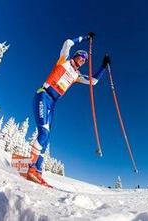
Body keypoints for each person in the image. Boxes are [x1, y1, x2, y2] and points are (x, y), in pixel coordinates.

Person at [27, 33, 111, 187]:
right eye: (82, 57)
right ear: (76, 56)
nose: (83, 61)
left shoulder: (77, 75)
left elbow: (93, 81)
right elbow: (67, 42)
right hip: (43, 96)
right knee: (43, 133)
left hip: (53, 104)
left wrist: (103, 66)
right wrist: (85, 38)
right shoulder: (64, 60)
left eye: (85, 60)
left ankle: (37, 171)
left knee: (46, 138)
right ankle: (30, 167)